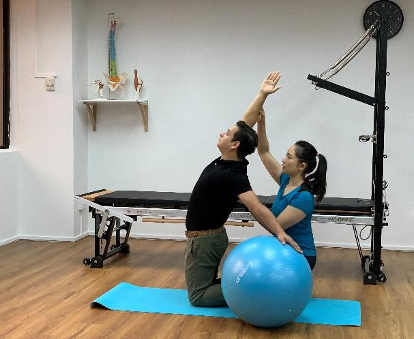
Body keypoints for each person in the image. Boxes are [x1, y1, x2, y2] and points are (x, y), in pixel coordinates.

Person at [184, 73, 302, 307]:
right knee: (204, 287)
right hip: (208, 238)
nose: (222, 133)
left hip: (205, 241)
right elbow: (245, 123)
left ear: (235, 144)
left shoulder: (233, 174)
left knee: (198, 298)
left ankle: (258, 290)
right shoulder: (228, 161)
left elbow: (256, 207)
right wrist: (262, 95)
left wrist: (279, 232)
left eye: (226, 134)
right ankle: (248, 286)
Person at [242, 71, 328, 270]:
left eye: (289, 157)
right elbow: (263, 151)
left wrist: (250, 201)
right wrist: (261, 123)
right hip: (284, 249)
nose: (283, 159)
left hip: (301, 255)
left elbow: (276, 225)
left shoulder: (304, 197)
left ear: (302, 166)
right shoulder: (284, 180)